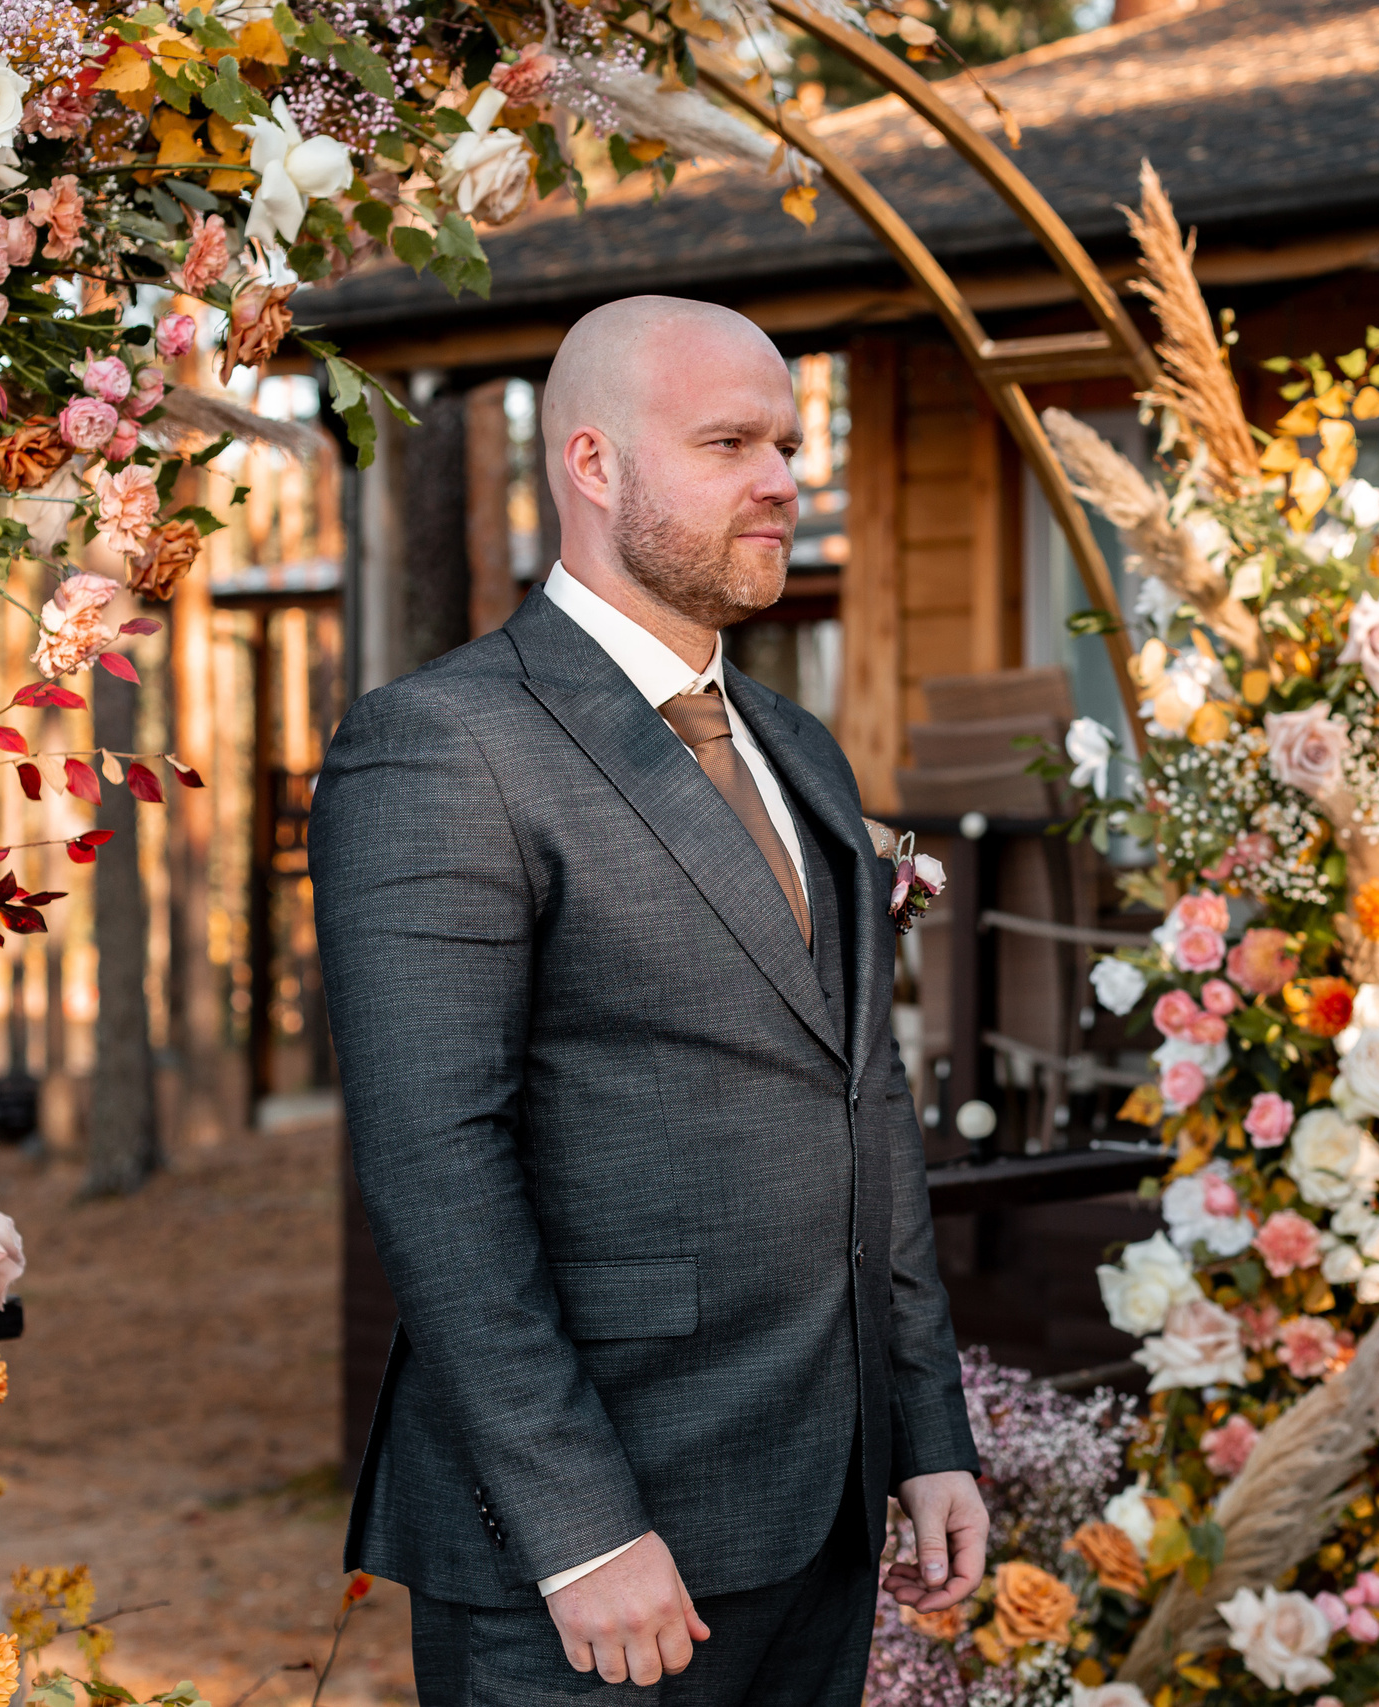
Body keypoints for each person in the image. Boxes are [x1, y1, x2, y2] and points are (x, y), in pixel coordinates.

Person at [309, 295, 985, 1703]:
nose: (784, 479)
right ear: (594, 465)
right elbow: (438, 1168)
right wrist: (579, 1528)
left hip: (823, 1508)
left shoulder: (799, 749)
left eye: (789, 444)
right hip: (599, 1552)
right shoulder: (441, 747)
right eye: (730, 440)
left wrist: (925, 1427)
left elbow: (865, 1098)